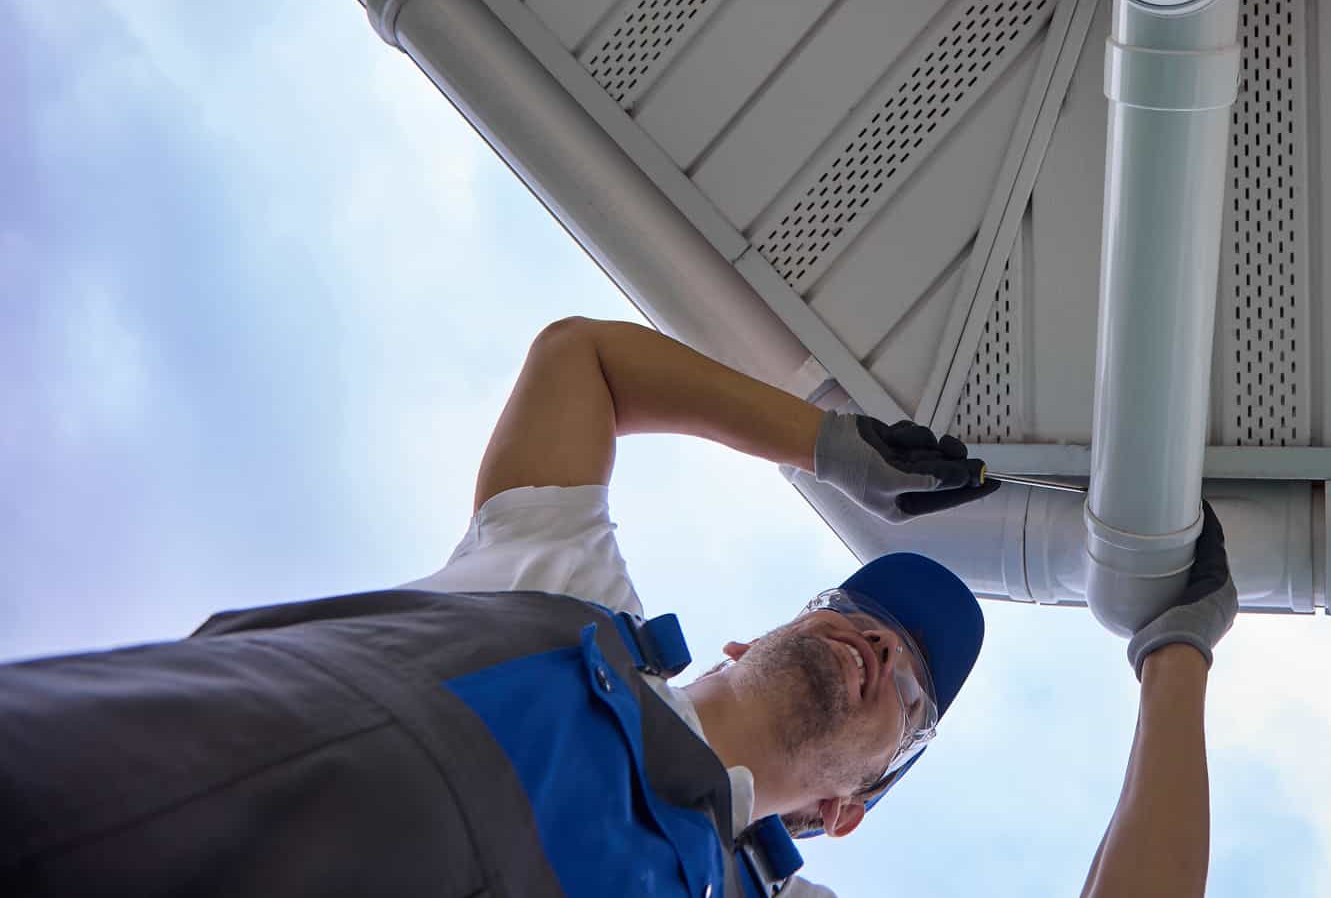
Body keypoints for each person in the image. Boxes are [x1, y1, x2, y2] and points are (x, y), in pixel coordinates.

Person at [0, 316, 1235, 896]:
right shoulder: (557, 582)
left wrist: (1174, 651)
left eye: (907, 683)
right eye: (855, 610)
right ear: (754, 636)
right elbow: (579, 357)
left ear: (849, 809)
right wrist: (832, 445)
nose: (874, 639)